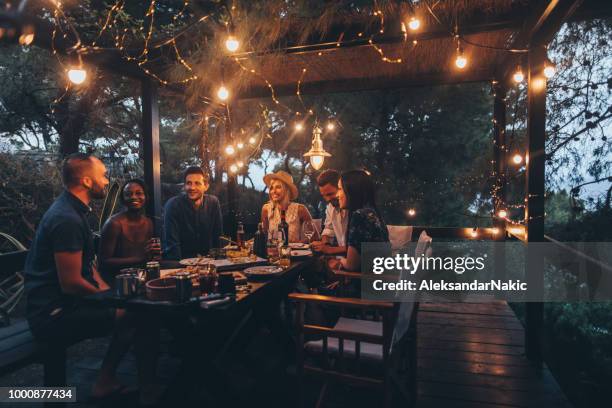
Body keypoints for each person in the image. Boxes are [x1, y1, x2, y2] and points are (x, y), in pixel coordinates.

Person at [24, 153, 159, 403]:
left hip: (61, 305)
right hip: (52, 314)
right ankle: (124, 385)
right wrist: (111, 301)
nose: (107, 181)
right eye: (103, 175)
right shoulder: (66, 219)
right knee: (137, 315)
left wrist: (113, 294)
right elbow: (71, 282)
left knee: (131, 310)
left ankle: (107, 381)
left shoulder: (73, 211)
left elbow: (88, 266)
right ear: (87, 181)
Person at [98, 179, 161, 281]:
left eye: (139, 193)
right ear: (123, 199)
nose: (134, 197)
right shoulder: (114, 224)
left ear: (146, 197)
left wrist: (153, 256)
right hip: (117, 281)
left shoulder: (148, 223)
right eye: (128, 194)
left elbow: (147, 256)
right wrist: (140, 258)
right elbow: (104, 262)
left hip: (141, 278)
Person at [327, 170, 389, 272]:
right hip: (377, 280)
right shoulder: (372, 212)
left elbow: (352, 266)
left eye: (340, 189)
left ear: (351, 191)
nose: (337, 194)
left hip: (366, 283)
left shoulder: (360, 216)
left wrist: (340, 261)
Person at [163, 166, 223, 260]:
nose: (192, 187)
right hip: (181, 263)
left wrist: (219, 263)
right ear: (184, 186)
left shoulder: (213, 202)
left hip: (207, 262)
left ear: (206, 186)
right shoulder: (173, 205)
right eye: (188, 183)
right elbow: (172, 246)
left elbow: (218, 237)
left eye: (197, 183)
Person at [261, 170, 318, 243]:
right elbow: (263, 235)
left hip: (294, 252)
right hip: (273, 252)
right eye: (271, 188)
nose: (273, 191)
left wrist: (300, 243)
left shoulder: (300, 209)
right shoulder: (266, 209)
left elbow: (315, 236)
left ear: (287, 190)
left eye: (278, 187)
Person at [310, 169, 348, 255]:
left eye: (330, 194)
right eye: (324, 195)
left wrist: (329, 249)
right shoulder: (331, 207)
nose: (327, 199)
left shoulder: (357, 210)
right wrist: (325, 244)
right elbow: (328, 229)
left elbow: (359, 247)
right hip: (343, 258)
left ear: (341, 188)